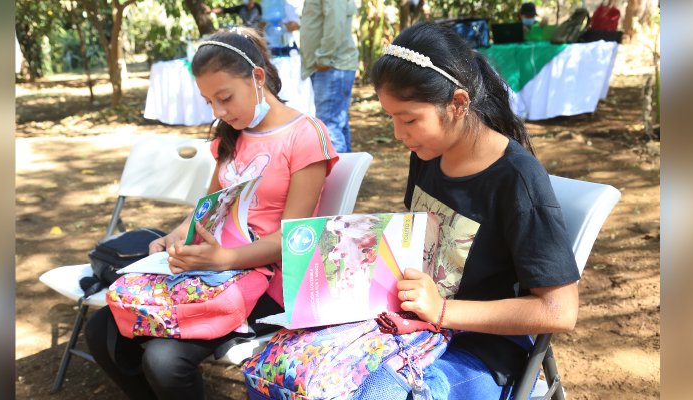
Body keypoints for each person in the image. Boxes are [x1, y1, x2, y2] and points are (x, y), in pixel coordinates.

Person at [248, 22, 581, 399]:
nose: (398, 133)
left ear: (458, 103)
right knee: (277, 367)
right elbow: (415, 245)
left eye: (408, 119)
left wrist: (441, 311)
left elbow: (559, 310)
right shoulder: (428, 155)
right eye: (391, 117)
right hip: (412, 323)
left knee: (373, 393)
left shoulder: (517, 181)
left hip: (481, 349)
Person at [84, 27, 339, 400]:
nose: (219, 112)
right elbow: (208, 210)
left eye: (225, 98)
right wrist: (174, 236)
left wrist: (225, 259)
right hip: (214, 269)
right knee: (103, 330)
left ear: (257, 78)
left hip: (271, 281)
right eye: (209, 103)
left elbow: (295, 240)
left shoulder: (305, 135)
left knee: (164, 359)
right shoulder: (233, 136)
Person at [299, 0, 358, 153]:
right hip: (327, 66)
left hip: (331, 65)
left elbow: (335, 22)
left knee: (329, 128)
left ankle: (338, 177)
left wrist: (324, 57)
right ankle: (348, 176)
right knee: (337, 124)